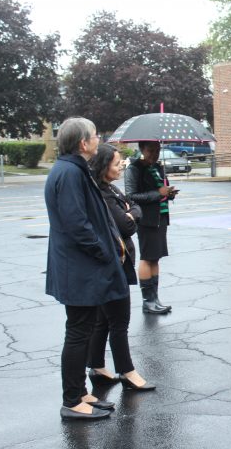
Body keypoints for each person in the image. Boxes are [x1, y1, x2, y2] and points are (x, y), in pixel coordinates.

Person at [45, 117, 128, 420]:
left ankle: (81, 393)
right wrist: (103, 251)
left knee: (83, 328)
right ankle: (72, 401)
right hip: (79, 268)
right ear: (83, 143)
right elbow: (77, 224)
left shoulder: (73, 170)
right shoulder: (69, 173)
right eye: (94, 135)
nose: (98, 138)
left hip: (80, 267)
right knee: (78, 332)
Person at [87, 143, 155, 391]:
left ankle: (96, 365)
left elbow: (132, 208)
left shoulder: (110, 188)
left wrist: (131, 212)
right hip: (113, 264)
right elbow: (126, 226)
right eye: (116, 163)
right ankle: (127, 372)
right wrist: (131, 214)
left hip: (115, 261)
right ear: (103, 166)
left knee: (104, 320)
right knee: (119, 321)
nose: (121, 167)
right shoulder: (102, 194)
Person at [125, 141, 177, 314]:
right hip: (146, 219)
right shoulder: (134, 168)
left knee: (155, 257)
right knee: (147, 257)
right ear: (141, 149)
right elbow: (131, 196)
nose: (154, 154)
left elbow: (161, 190)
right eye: (150, 151)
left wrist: (168, 193)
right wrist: (158, 194)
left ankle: (155, 298)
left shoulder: (157, 167)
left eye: (157, 150)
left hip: (160, 218)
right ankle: (148, 302)